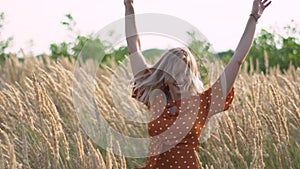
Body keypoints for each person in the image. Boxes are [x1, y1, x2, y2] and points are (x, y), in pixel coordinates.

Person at [124, 0, 271, 168]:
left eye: (185, 75)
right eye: (175, 74)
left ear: (192, 77)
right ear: (165, 76)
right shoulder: (155, 98)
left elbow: (237, 60)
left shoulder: (203, 104)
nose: (180, 80)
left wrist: (254, 17)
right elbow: (133, 48)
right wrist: (129, 7)